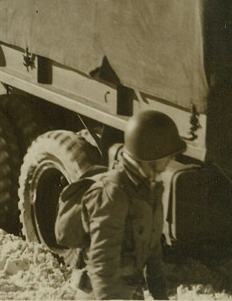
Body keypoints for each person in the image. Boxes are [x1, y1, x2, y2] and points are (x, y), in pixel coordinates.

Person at [72, 110, 183, 300]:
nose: (171, 161)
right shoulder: (112, 194)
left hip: (127, 291)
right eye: (168, 156)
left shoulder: (151, 190)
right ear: (151, 155)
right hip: (100, 294)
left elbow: (153, 253)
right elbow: (102, 268)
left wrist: (161, 297)